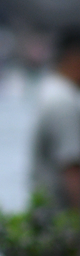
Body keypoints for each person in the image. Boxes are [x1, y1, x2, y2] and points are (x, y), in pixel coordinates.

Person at [30, 28, 80, 209]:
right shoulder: (64, 102)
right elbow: (72, 171)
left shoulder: (50, 88)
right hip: (60, 218)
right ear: (74, 58)